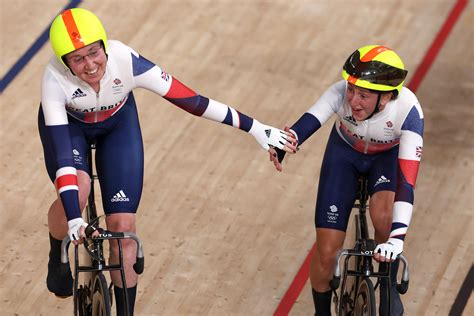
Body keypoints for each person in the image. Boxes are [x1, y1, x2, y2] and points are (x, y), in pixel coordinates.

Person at [39, 7, 297, 315]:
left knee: (123, 229)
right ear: (64, 62)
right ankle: (58, 253)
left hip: (116, 125)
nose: (90, 64)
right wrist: (74, 219)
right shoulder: (53, 79)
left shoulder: (125, 60)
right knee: (78, 188)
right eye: (78, 59)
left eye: (94, 52)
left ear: (104, 46)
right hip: (71, 129)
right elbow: (65, 161)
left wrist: (255, 128)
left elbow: (193, 101)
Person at [270, 45, 424, 315]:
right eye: (351, 90)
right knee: (328, 252)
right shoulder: (339, 92)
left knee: (384, 218)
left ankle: (386, 280)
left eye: (363, 95)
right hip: (343, 156)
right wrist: (284, 143)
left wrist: (396, 241)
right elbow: (307, 123)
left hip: (384, 160)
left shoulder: (408, 112)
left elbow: (407, 184)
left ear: (386, 97)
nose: (353, 101)